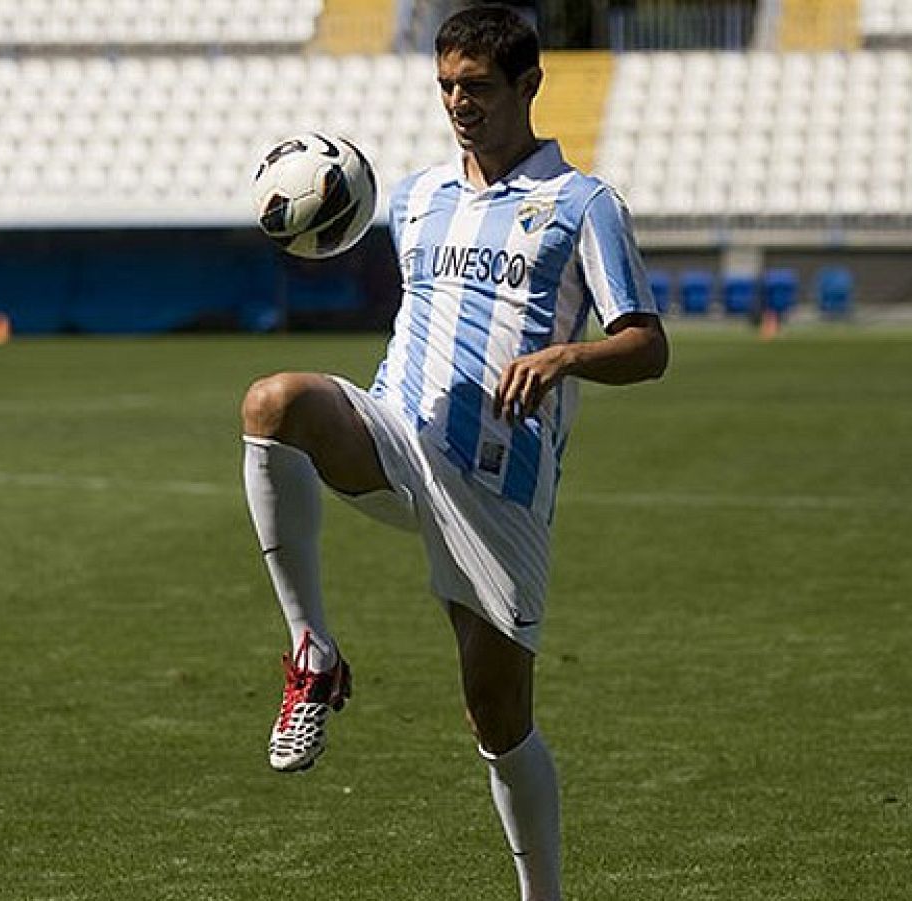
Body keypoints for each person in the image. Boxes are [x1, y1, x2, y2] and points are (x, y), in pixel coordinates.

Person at [238, 6, 668, 900]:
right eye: (445, 87)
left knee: (497, 718)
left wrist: (565, 357)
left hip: (498, 483)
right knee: (273, 403)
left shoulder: (584, 206)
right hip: (395, 434)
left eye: (476, 86)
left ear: (528, 84)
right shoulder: (416, 197)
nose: (458, 103)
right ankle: (312, 651)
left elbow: (647, 345)